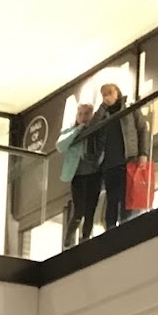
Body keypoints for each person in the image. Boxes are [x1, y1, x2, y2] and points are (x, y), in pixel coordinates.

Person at [91, 82, 150, 231]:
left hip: (128, 160)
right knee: (112, 200)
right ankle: (110, 231)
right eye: (104, 94)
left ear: (117, 92)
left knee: (127, 199)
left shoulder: (130, 108)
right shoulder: (103, 114)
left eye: (110, 92)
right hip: (109, 165)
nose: (107, 97)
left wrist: (143, 153)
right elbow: (92, 128)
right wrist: (103, 107)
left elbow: (142, 129)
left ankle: (126, 229)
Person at [58, 102, 100, 246]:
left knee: (90, 210)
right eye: (80, 114)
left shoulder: (96, 129)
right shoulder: (70, 130)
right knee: (79, 210)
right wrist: (78, 130)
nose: (83, 117)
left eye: (86, 114)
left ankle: (85, 239)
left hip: (94, 173)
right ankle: (69, 236)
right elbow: (60, 146)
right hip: (78, 175)